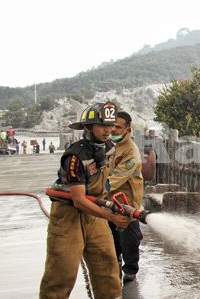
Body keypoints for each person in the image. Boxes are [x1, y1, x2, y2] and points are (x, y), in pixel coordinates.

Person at [40, 102, 130, 299]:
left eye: (111, 125)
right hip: (69, 216)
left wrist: (115, 205)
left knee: (107, 267)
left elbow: (105, 183)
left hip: (95, 214)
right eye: (102, 125)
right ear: (88, 127)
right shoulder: (75, 156)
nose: (108, 130)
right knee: (62, 272)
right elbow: (79, 200)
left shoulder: (108, 148)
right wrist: (112, 218)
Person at [107, 111, 144, 282]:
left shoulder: (131, 151)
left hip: (127, 204)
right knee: (113, 240)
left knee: (129, 239)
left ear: (127, 129)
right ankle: (116, 264)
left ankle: (130, 270)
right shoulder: (114, 148)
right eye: (112, 126)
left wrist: (92, 191)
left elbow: (115, 179)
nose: (113, 130)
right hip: (111, 202)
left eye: (118, 127)